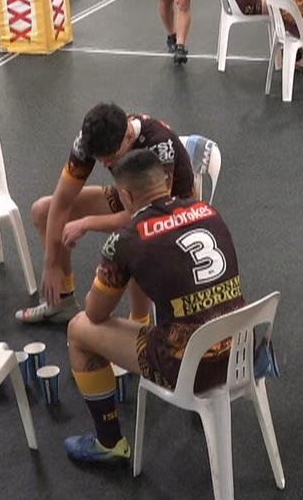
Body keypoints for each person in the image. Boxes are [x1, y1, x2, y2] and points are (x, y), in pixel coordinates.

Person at [62, 149, 245, 462]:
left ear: (126, 196)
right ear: (169, 180)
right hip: (245, 353)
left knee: (79, 329)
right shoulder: (208, 211)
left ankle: (109, 443)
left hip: (195, 369)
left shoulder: (126, 239)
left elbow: (95, 313)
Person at [20, 102, 196, 324]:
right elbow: (62, 201)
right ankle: (62, 301)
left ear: (129, 138)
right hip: (131, 197)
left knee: (132, 241)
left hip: (172, 211)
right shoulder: (89, 140)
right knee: (43, 211)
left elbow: (146, 215)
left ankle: (140, 322)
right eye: (100, 159)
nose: (105, 164)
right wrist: (51, 262)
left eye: (111, 158)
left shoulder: (159, 145)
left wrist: (87, 223)